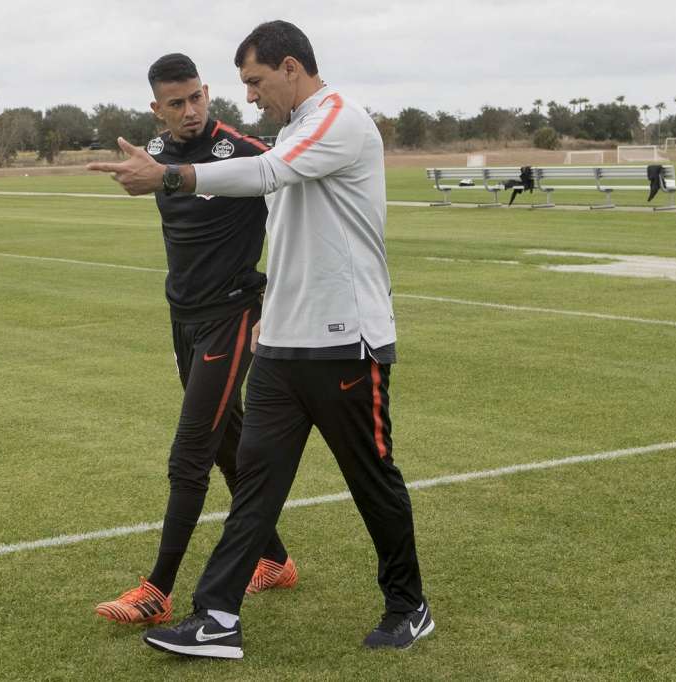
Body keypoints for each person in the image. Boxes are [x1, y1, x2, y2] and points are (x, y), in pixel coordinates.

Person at [88, 21, 432, 659]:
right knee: (255, 481)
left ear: (291, 68)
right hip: (280, 340)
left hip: (345, 341)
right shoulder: (296, 125)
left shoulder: (339, 119)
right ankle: (217, 615)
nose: (247, 96)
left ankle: (408, 604)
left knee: (371, 479)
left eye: (254, 81)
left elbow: (270, 173)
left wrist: (170, 177)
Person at [92, 53, 297, 627]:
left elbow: (293, 218)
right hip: (182, 318)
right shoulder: (153, 156)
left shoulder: (245, 151)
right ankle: (275, 560)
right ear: (156, 109)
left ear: (207, 92)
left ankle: (157, 591)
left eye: (196, 98)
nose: (189, 112)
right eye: (175, 104)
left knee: (190, 454)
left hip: (232, 317)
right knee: (226, 438)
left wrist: (272, 301)